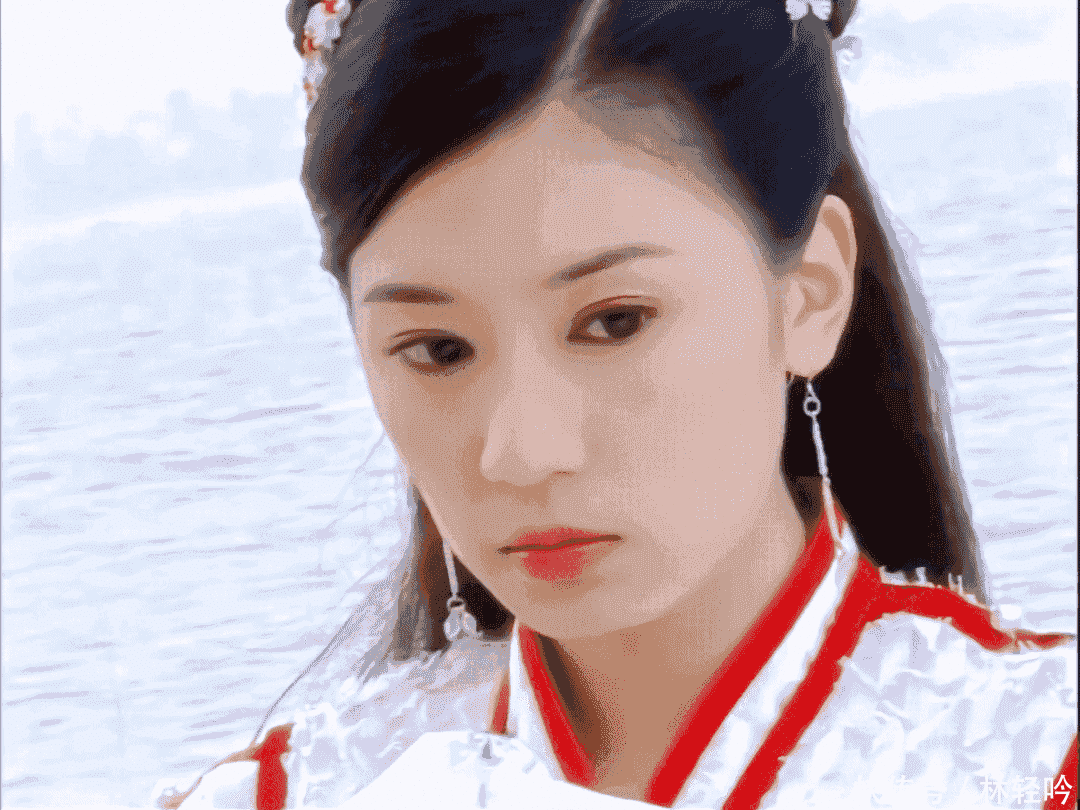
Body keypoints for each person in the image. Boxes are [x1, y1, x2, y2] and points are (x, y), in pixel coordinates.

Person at [157, 0, 1078, 807]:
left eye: (614, 322)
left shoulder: (1045, 764)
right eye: (437, 350)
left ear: (809, 292)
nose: (522, 451)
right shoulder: (285, 797)